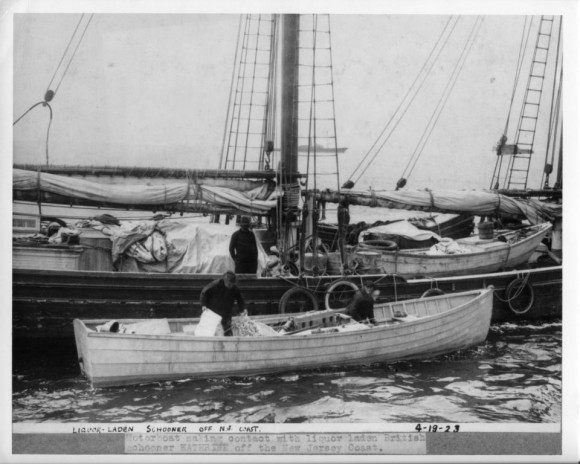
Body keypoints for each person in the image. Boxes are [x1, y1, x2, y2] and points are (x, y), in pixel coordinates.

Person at [200, 271, 246, 336]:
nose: (231, 286)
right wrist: (203, 305)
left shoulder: (234, 288)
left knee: (227, 332)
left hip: (226, 313)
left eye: (232, 284)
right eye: (229, 284)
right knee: (212, 331)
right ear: (225, 281)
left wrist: (243, 309)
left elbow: (240, 299)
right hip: (214, 312)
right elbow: (204, 293)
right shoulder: (215, 284)